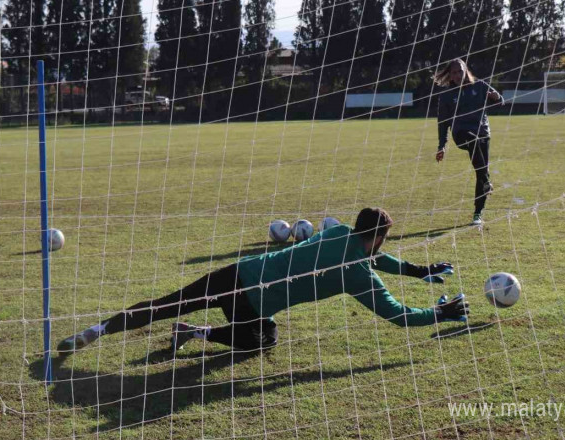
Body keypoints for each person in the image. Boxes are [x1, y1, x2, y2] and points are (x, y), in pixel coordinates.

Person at [57, 208, 470, 355]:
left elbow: (377, 257)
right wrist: (437, 312)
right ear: (378, 237)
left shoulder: (337, 231)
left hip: (238, 272)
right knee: (265, 339)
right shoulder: (359, 276)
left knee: (169, 301)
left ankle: (96, 330)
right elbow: (397, 315)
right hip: (251, 305)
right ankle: (198, 334)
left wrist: (417, 270)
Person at [434, 58, 502, 225]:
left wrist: (496, 96)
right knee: (472, 141)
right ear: (450, 75)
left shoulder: (480, 86)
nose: (457, 75)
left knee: (481, 172)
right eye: (454, 72)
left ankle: (478, 213)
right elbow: (443, 122)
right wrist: (442, 145)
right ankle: (486, 180)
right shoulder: (447, 95)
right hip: (461, 134)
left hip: (483, 133)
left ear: (466, 71)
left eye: (460, 71)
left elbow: (500, 101)